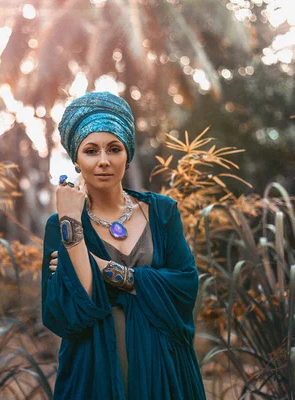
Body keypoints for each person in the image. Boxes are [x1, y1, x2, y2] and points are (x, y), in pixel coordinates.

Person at [41, 91, 206, 400]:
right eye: (91, 151)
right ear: (76, 159)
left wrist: (100, 268)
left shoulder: (162, 212)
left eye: (113, 149)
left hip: (165, 370)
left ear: (127, 154)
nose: (103, 160)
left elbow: (184, 287)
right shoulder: (60, 225)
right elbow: (70, 314)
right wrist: (71, 223)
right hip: (93, 374)